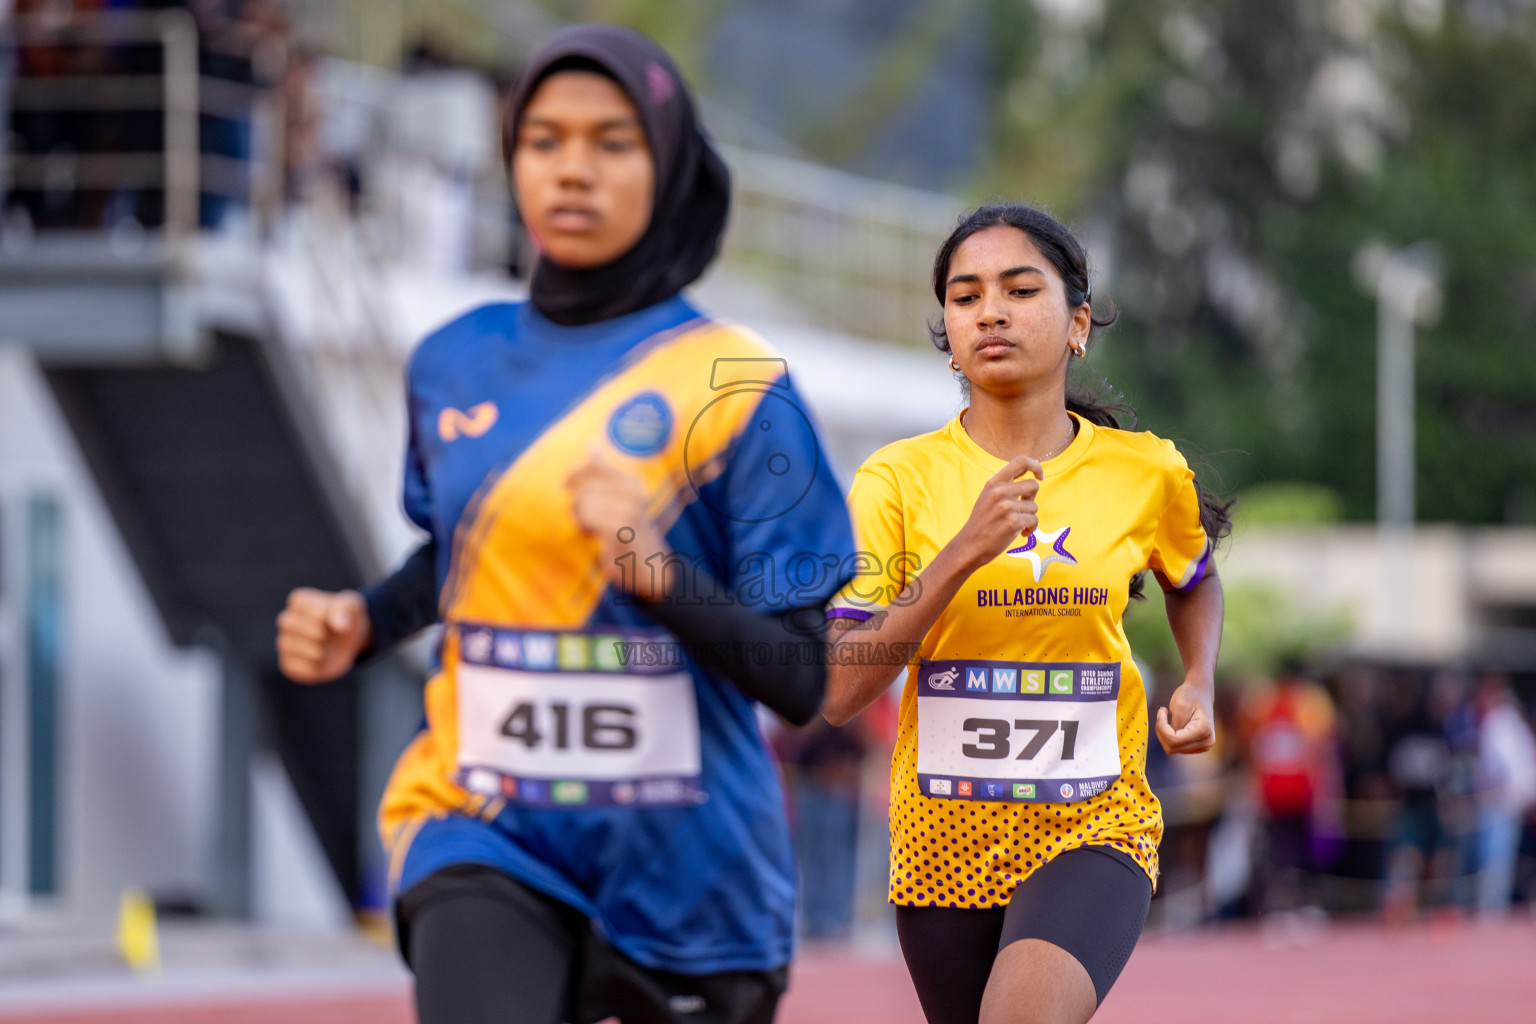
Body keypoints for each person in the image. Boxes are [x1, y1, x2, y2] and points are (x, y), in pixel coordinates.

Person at [274, 25, 856, 1024]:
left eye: (611, 142)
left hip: (690, 873)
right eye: (543, 141)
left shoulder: (739, 386)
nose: (571, 170)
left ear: (667, 165)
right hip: (484, 822)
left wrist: (655, 569)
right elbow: (463, 552)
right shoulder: (452, 360)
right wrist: (365, 619)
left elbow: (803, 679)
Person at [821, 204, 1229, 1024]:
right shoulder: (896, 480)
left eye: (1018, 288)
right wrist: (958, 555)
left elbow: (1194, 576)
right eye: (965, 297)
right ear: (947, 329)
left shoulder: (1145, 472)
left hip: (1094, 824)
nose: (991, 311)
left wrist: (1199, 680)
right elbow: (837, 690)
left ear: (1078, 323)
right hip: (941, 840)